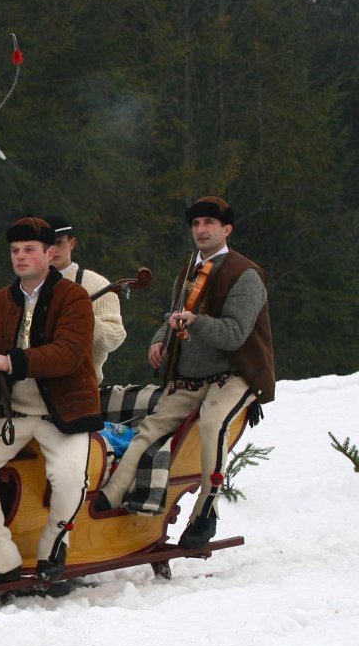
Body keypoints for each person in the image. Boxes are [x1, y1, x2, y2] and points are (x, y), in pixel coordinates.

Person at [94, 196, 275, 549]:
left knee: (212, 424)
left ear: (227, 229)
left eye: (209, 223)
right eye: (196, 224)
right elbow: (175, 312)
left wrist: (197, 322)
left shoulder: (246, 274)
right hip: (191, 377)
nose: (201, 230)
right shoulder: (190, 268)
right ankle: (108, 500)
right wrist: (161, 338)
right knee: (151, 427)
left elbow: (235, 334)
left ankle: (206, 511)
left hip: (235, 375)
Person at [0, 217, 102, 585]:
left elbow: (68, 354)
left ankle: (54, 545)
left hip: (64, 412)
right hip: (13, 412)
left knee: (70, 476)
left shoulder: (75, 297)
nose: (20, 257)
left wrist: (12, 361)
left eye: (29, 250)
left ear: (50, 253)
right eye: (14, 251)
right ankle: (1, 552)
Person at [43, 216, 127, 383]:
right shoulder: (30, 285)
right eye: (46, 245)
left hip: (81, 386)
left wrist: (85, 319)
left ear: (72, 243)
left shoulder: (97, 284)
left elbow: (115, 337)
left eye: (59, 243)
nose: (52, 250)